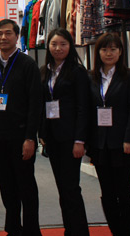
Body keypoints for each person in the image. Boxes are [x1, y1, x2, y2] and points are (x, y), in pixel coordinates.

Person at [0, 19, 42, 236]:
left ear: (17, 36)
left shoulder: (27, 64)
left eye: (8, 33)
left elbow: (35, 103)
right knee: (6, 185)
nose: (3, 37)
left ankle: (32, 230)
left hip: (21, 136)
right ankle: (13, 228)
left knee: (26, 185)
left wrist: (30, 137)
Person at [87, 32, 130, 236]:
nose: (108, 53)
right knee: (107, 193)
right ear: (98, 52)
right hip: (100, 144)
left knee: (124, 192)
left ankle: (127, 232)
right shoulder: (91, 77)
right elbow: (87, 111)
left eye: (113, 49)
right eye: (104, 49)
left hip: (123, 143)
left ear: (120, 52)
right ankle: (116, 231)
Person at [39, 28, 91, 236]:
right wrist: (42, 133)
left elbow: (83, 107)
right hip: (52, 138)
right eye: (54, 44)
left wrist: (80, 140)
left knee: (71, 188)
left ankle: (79, 231)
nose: (58, 48)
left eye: (63, 44)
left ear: (70, 46)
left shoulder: (77, 72)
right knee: (62, 187)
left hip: (71, 138)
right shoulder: (44, 71)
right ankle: (70, 229)